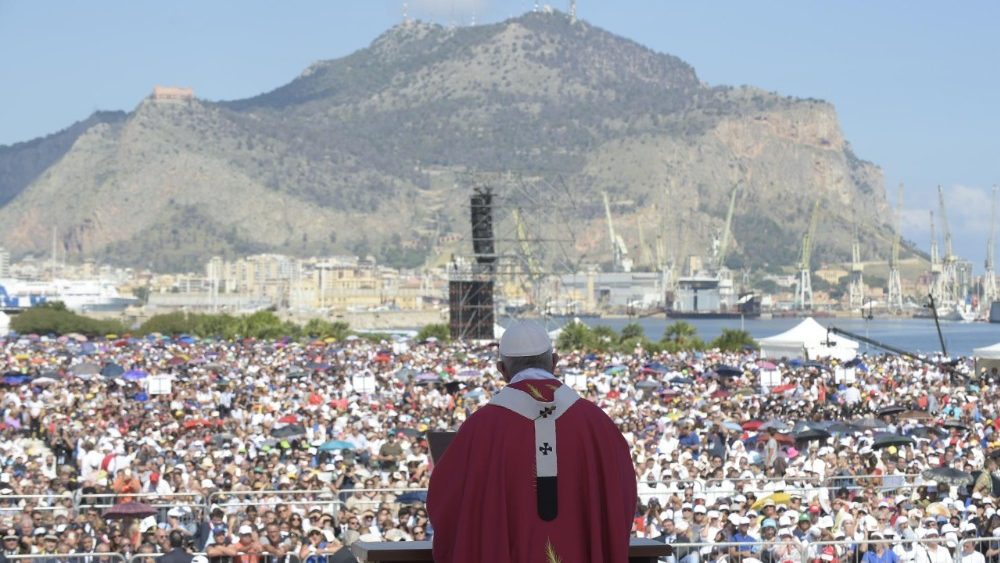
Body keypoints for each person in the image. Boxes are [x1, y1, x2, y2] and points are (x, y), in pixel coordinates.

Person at [427, 321, 637, 562]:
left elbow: (445, 503)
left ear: (501, 369)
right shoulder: (597, 425)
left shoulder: (479, 429)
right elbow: (622, 495)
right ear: (555, 362)